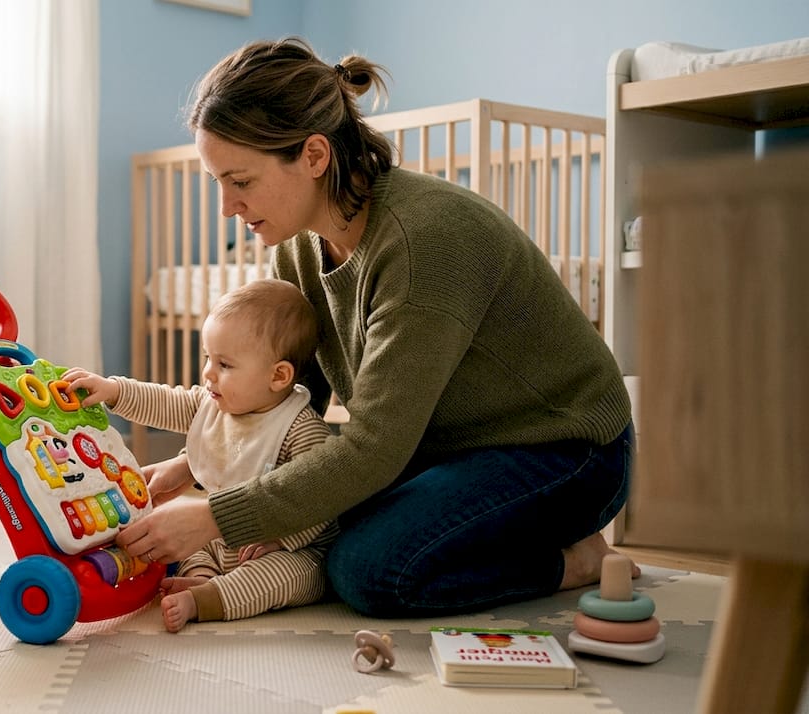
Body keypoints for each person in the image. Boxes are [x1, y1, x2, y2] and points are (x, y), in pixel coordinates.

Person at [110, 36, 638, 619]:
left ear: (314, 156)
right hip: (442, 449)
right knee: (322, 521)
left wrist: (214, 515)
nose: (227, 208)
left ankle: (573, 561)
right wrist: (196, 463)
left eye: (241, 181)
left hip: (564, 452)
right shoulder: (298, 253)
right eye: (218, 183)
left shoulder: (426, 240)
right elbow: (277, 399)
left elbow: (373, 448)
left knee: (367, 570)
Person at [64, 279, 336, 632]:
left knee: (286, 575)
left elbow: (318, 502)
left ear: (278, 375)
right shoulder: (214, 405)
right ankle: (202, 579)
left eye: (225, 364)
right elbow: (166, 401)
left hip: (291, 549)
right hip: (223, 537)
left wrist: (279, 538)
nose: (208, 373)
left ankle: (206, 600)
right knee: (191, 550)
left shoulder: (300, 429)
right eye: (209, 358)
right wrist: (114, 391)